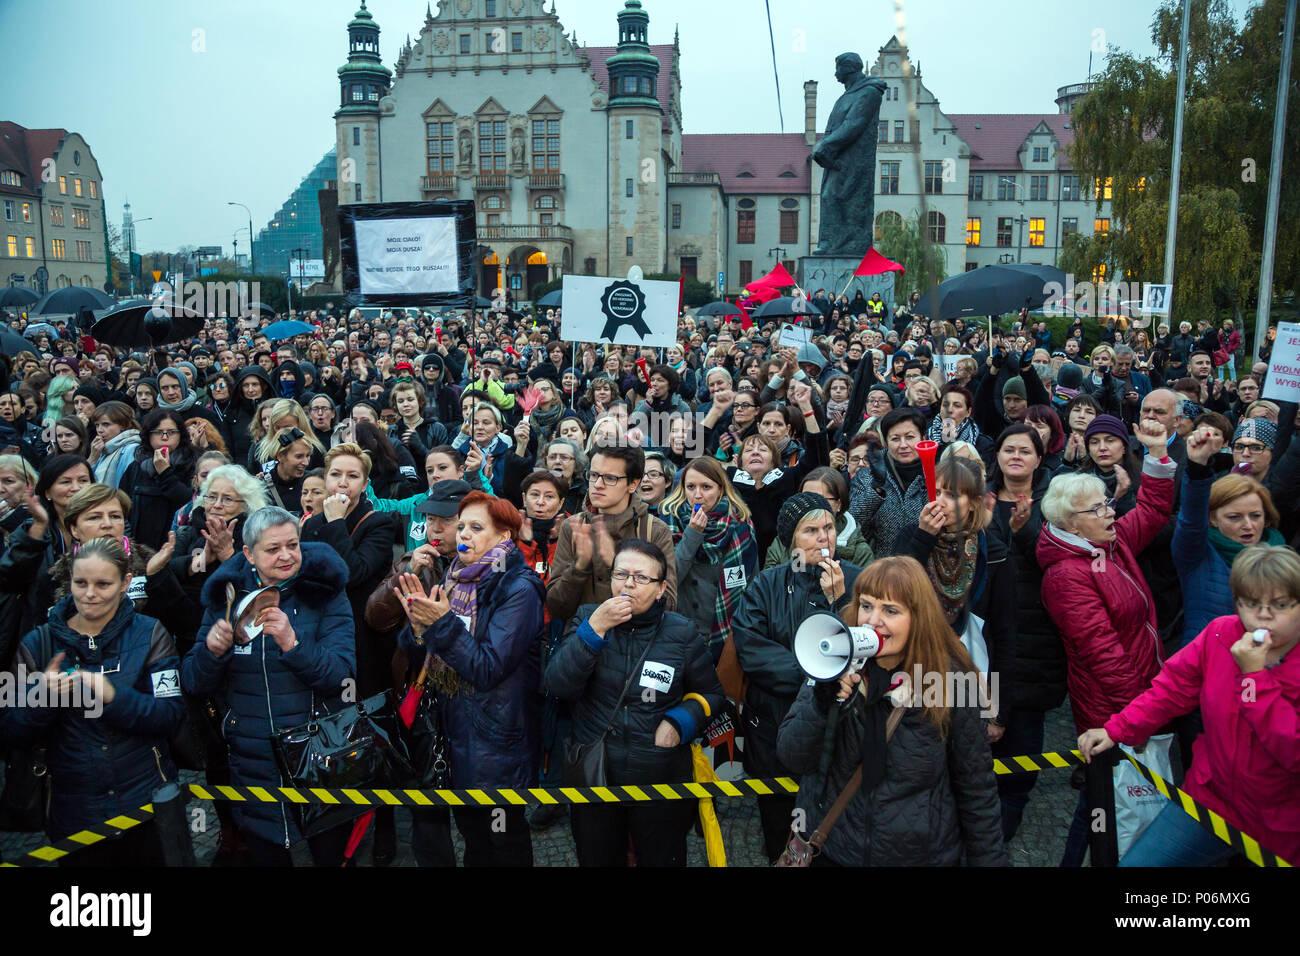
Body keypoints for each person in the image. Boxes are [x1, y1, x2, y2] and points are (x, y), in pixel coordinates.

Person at [775, 556, 1007, 866]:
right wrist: (822, 702)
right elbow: (792, 757)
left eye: (891, 610)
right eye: (867, 606)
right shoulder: (833, 664)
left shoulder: (951, 682)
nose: (873, 620)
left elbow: (977, 789)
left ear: (919, 618)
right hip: (835, 850)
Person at [1079, 545, 1300, 866]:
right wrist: (1118, 728)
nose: (1263, 616)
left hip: (1283, 825)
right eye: (1251, 603)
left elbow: (1292, 750)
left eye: (1280, 605)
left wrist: (1253, 678)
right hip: (1212, 800)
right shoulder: (1221, 634)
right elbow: (1171, 689)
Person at [1038, 418, 1188, 866]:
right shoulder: (1067, 575)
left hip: (1139, 700)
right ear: (1072, 522)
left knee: (1107, 805)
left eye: (1108, 504)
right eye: (1099, 509)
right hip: (1114, 710)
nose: (1111, 513)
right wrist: (1142, 717)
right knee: (1105, 808)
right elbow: (1105, 657)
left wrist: (1160, 457)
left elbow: (1154, 512)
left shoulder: (1107, 542)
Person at [182, 506, 357, 866]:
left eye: (293, 545)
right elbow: (193, 681)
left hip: (318, 753)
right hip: (253, 756)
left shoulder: (324, 592)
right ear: (248, 554)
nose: (286, 555)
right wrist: (212, 652)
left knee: (331, 852)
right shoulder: (226, 598)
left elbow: (342, 677)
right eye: (273, 549)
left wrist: (294, 644)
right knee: (268, 852)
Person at [1, 537, 185, 864]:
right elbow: (9, 728)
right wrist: (42, 699)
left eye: (103, 584)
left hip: (146, 804)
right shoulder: (35, 643)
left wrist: (113, 696)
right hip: (74, 812)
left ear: (126, 582)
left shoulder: (151, 634)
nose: (89, 594)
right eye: (80, 582)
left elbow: (170, 716)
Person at [546, 538, 724, 866]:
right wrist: (594, 630)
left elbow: (713, 695)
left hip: (660, 778)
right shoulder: (588, 617)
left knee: (661, 856)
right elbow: (557, 684)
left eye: (641, 578)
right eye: (621, 574)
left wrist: (680, 721)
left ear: (661, 589)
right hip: (596, 775)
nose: (628, 583)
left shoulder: (681, 632)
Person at [392, 491, 545, 866]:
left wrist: (440, 624)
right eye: (462, 526)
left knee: (503, 843)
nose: (464, 535)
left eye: (477, 528)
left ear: (504, 537)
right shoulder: (454, 576)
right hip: (456, 734)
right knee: (474, 841)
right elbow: (423, 656)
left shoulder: (519, 588)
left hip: (498, 743)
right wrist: (416, 627)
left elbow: (486, 667)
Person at [732, 492, 865, 862]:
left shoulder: (859, 582)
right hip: (774, 729)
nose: (824, 537)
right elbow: (752, 650)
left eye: (829, 528)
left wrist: (841, 601)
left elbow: (867, 649)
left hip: (840, 732)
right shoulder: (766, 584)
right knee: (778, 824)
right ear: (790, 539)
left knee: (835, 826)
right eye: (811, 530)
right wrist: (816, 677)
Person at [546, 442, 678, 621]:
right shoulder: (573, 527)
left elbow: (668, 604)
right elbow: (556, 608)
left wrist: (616, 566)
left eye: (610, 478)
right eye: (593, 475)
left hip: (636, 645)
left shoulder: (654, 530)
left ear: (633, 484)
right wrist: (579, 567)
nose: (598, 484)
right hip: (583, 641)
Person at [659, 457, 759, 664]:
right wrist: (692, 534)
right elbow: (670, 577)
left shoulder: (740, 523)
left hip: (727, 627)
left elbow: (750, 582)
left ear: (721, 488)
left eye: (706, 487)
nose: (697, 495)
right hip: (682, 628)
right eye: (691, 487)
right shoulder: (669, 519)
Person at [849, 406, 932, 558]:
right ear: (886, 441)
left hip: (926, 568)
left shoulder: (935, 473)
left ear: (923, 438)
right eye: (895, 439)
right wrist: (876, 489)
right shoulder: (867, 476)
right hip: (881, 569)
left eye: (909, 437)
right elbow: (852, 524)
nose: (903, 445)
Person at [118, 408, 196, 552]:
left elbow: (190, 504)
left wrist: (165, 473)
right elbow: (121, 507)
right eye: (158, 432)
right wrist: (130, 544)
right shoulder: (136, 466)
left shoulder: (191, 463)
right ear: (148, 435)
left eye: (171, 432)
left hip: (177, 547)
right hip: (139, 548)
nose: (165, 437)